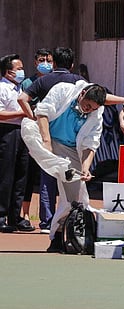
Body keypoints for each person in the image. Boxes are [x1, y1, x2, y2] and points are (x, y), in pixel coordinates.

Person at [21, 80, 124, 252]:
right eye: (87, 106)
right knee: (30, 130)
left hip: (69, 148)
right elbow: (43, 113)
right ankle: (47, 159)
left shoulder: (97, 113)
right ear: (82, 94)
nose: (89, 110)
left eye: (93, 108)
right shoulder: (63, 90)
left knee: (75, 195)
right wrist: (46, 142)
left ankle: (58, 236)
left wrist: (86, 168)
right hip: (44, 135)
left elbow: (91, 144)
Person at [17, 47, 85, 234]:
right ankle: (71, 220)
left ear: (53, 63)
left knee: (48, 178)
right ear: (72, 64)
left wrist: (31, 117)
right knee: (72, 180)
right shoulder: (79, 81)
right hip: (71, 139)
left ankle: (47, 221)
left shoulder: (43, 80)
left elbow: (22, 98)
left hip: (47, 136)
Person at [21, 48, 53, 231]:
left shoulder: (52, 81)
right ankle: (24, 213)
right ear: (35, 62)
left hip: (49, 132)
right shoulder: (28, 83)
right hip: (32, 131)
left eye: (49, 60)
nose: (46, 63)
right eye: (42, 60)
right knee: (29, 173)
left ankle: (47, 217)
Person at [0, 54, 33, 233]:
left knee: (22, 174)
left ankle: (15, 215)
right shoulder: (2, 88)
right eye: (19, 69)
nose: (22, 71)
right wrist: (22, 113)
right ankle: (1, 215)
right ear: (8, 72)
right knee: (6, 174)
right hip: (7, 132)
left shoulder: (22, 89)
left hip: (23, 132)